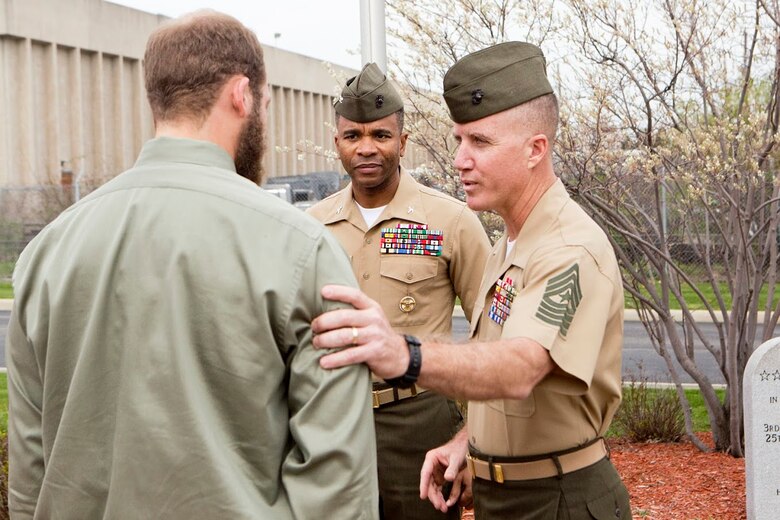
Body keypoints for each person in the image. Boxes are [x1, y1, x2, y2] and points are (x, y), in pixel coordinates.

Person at [7, 11, 378, 519]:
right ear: (242, 94)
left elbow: (31, 474)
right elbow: (337, 484)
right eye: (265, 105)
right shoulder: (302, 250)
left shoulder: (44, 255)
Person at [310, 41, 632, 519]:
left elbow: (521, 368)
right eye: (459, 140)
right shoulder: (510, 244)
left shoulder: (568, 250)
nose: (460, 159)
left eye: (480, 142)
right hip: (503, 492)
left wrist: (402, 353)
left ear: (534, 149)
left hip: (556, 498)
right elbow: (501, 371)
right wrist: (467, 441)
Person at [307, 62, 490, 520]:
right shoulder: (309, 230)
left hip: (420, 421)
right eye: (353, 136)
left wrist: (471, 438)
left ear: (402, 142)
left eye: (381, 135)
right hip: (333, 424)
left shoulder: (451, 222)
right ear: (337, 144)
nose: (366, 148)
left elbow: (497, 336)